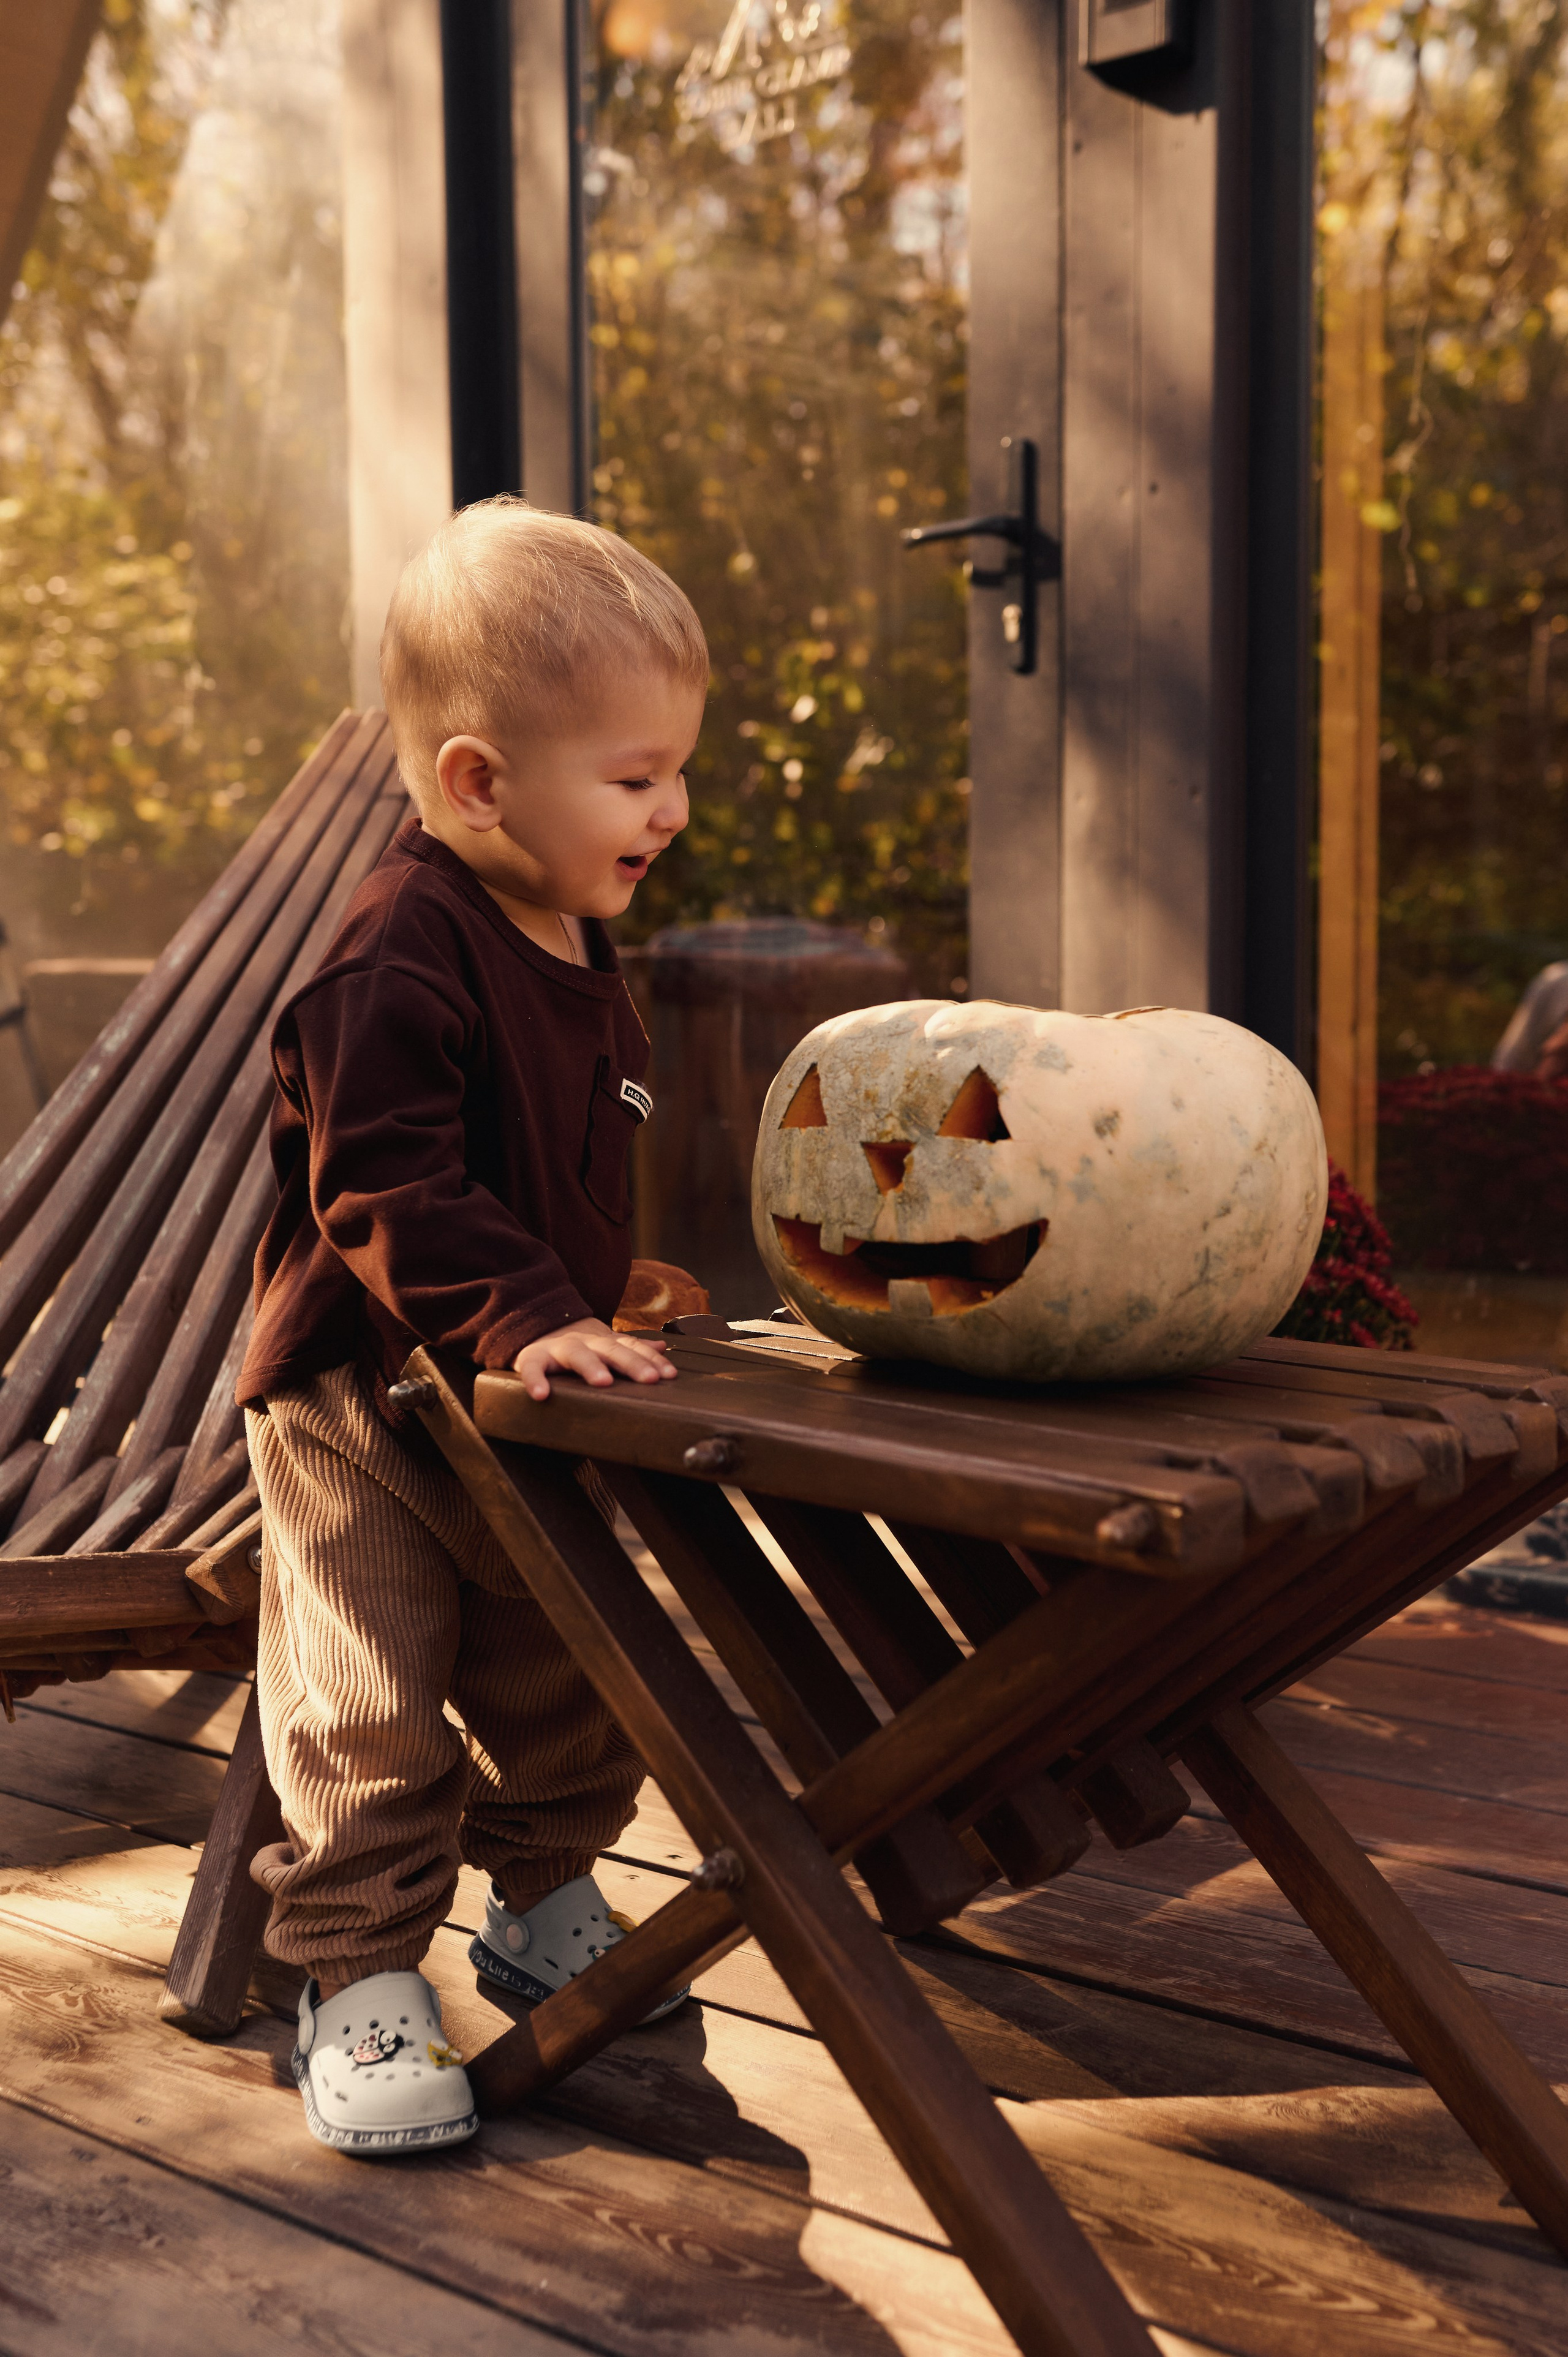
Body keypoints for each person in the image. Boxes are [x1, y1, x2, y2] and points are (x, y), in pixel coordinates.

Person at [236, 498, 707, 2155]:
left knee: (562, 1658)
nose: (673, 809)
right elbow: (384, 1179)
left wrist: (589, 1289)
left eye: (677, 772)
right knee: (369, 1692)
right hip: (364, 1398)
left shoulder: (573, 923)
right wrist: (521, 1304)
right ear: (480, 783)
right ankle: (359, 1977)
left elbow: (556, 1149)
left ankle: (542, 1890)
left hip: (511, 1389)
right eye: (637, 778)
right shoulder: (395, 952)